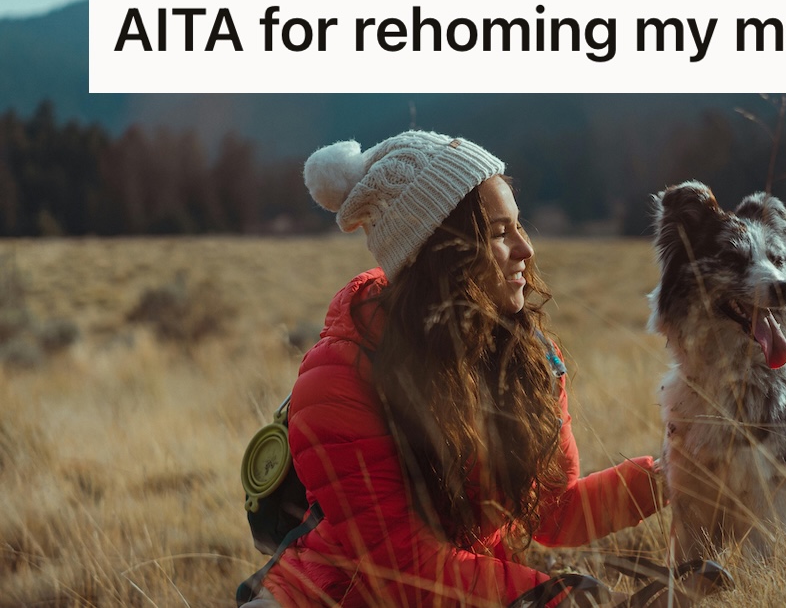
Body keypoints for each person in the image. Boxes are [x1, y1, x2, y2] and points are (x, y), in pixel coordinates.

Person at [253, 131, 663, 606]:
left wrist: (668, 479)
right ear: (440, 253)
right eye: (498, 233)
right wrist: (555, 599)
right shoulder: (338, 382)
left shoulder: (529, 358)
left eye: (519, 226)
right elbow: (407, 572)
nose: (525, 251)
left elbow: (554, 510)